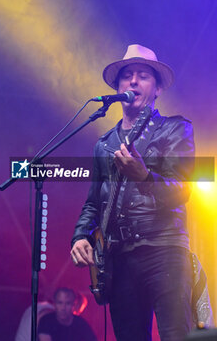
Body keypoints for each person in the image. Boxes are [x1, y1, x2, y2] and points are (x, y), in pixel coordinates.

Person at [70, 44, 196, 341]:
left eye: (143, 76)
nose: (134, 81)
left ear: (157, 89)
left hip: (164, 249)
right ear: (118, 87)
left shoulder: (175, 129)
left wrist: (144, 176)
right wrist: (79, 236)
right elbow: (93, 202)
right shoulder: (104, 143)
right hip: (120, 258)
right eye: (127, 76)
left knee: (175, 335)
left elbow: (182, 191)